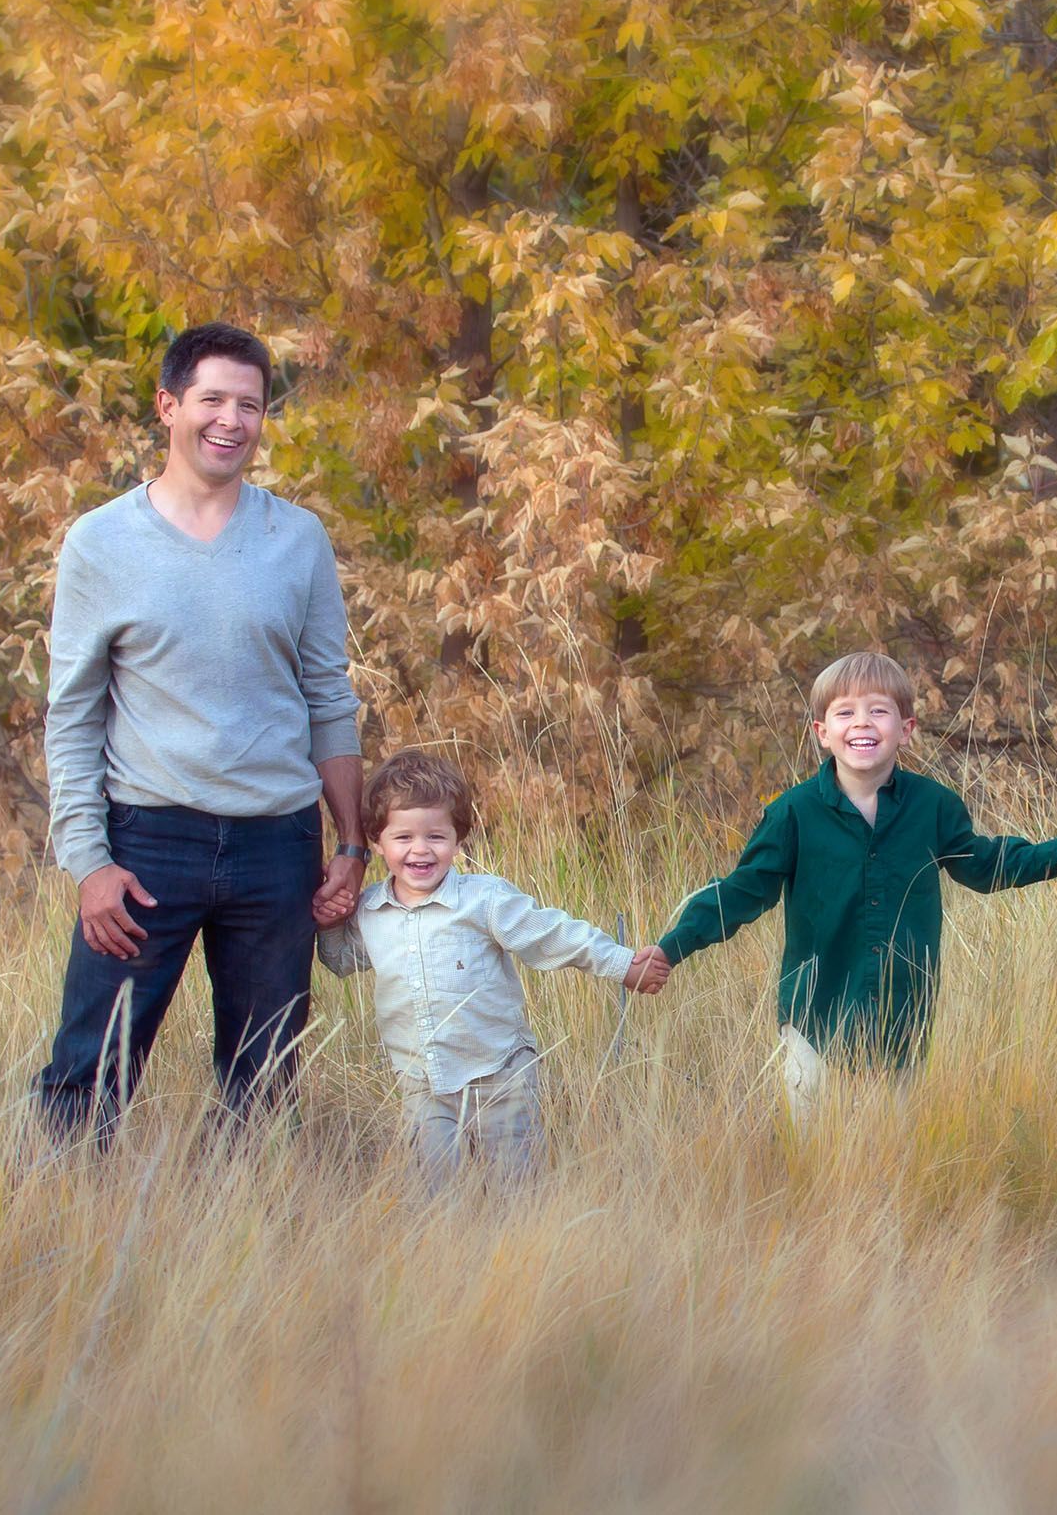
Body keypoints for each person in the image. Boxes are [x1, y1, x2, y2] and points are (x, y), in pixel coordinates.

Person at [32, 321, 369, 1144]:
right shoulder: (102, 543)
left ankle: (242, 1253)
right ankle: (58, 1237)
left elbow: (329, 694)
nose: (230, 419)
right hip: (148, 845)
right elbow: (73, 714)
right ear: (168, 406)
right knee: (89, 1069)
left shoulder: (298, 540)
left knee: (265, 1083)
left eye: (248, 405)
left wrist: (353, 845)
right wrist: (90, 863)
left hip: (277, 847)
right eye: (212, 398)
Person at [655, 652, 1057, 1122]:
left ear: (906, 728)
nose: (862, 722)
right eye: (845, 712)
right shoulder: (793, 814)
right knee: (816, 1156)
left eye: (878, 710)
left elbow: (986, 865)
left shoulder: (934, 807)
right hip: (813, 1017)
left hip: (900, 1019)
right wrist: (671, 949)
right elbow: (743, 892)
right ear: (822, 732)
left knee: (889, 1153)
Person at [318, 750, 670, 1184]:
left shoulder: (483, 900)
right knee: (432, 1196)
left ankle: (520, 1248)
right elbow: (339, 961)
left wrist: (621, 964)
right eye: (403, 837)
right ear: (376, 840)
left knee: (515, 1193)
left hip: (500, 1075)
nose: (420, 849)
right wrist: (329, 921)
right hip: (423, 1083)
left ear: (459, 839)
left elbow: (550, 934)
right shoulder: (371, 911)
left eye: (436, 836)